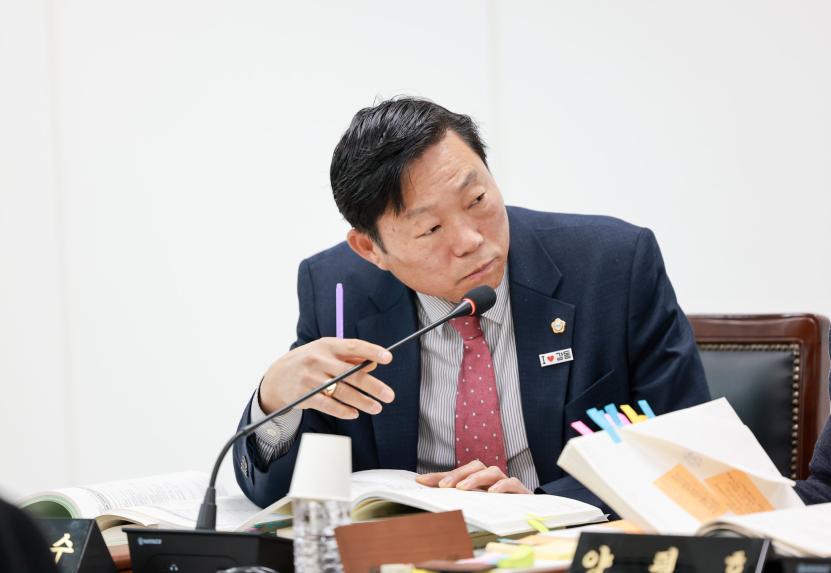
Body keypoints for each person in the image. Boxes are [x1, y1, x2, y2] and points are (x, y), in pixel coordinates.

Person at [233, 97, 710, 509]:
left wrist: (547, 505)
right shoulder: (337, 292)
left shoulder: (611, 266)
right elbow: (277, 493)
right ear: (370, 248)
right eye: (430, 229)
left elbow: (685, 451)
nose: (470, 240)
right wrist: (275, 401)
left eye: (477, 199)